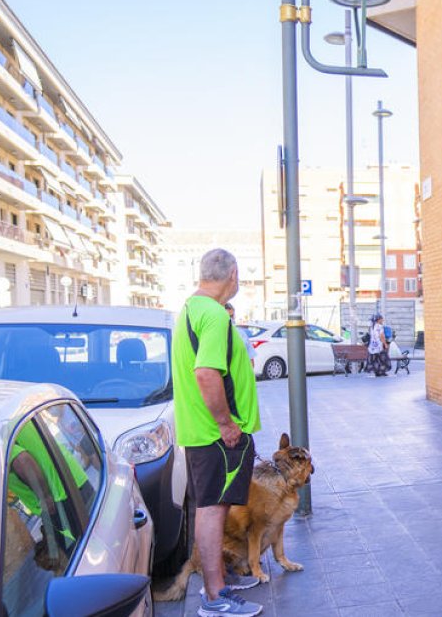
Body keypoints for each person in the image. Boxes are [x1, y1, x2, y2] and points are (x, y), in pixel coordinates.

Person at [171, 249, 263, 616]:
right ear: (233, 275)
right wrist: (226, 424)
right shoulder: (213, 316)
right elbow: (206, 373)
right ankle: (215, 596)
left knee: (213, 508)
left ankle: (218, 578)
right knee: (211, 510)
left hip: (202, 432)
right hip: (215, 436)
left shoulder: (192, 309)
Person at [225, 303, 256, 368]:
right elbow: (251, 362)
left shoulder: (241, 334)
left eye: (231, 316)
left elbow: (251, 361)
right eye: (228, 316)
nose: (230, 319)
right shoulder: (241, 334)